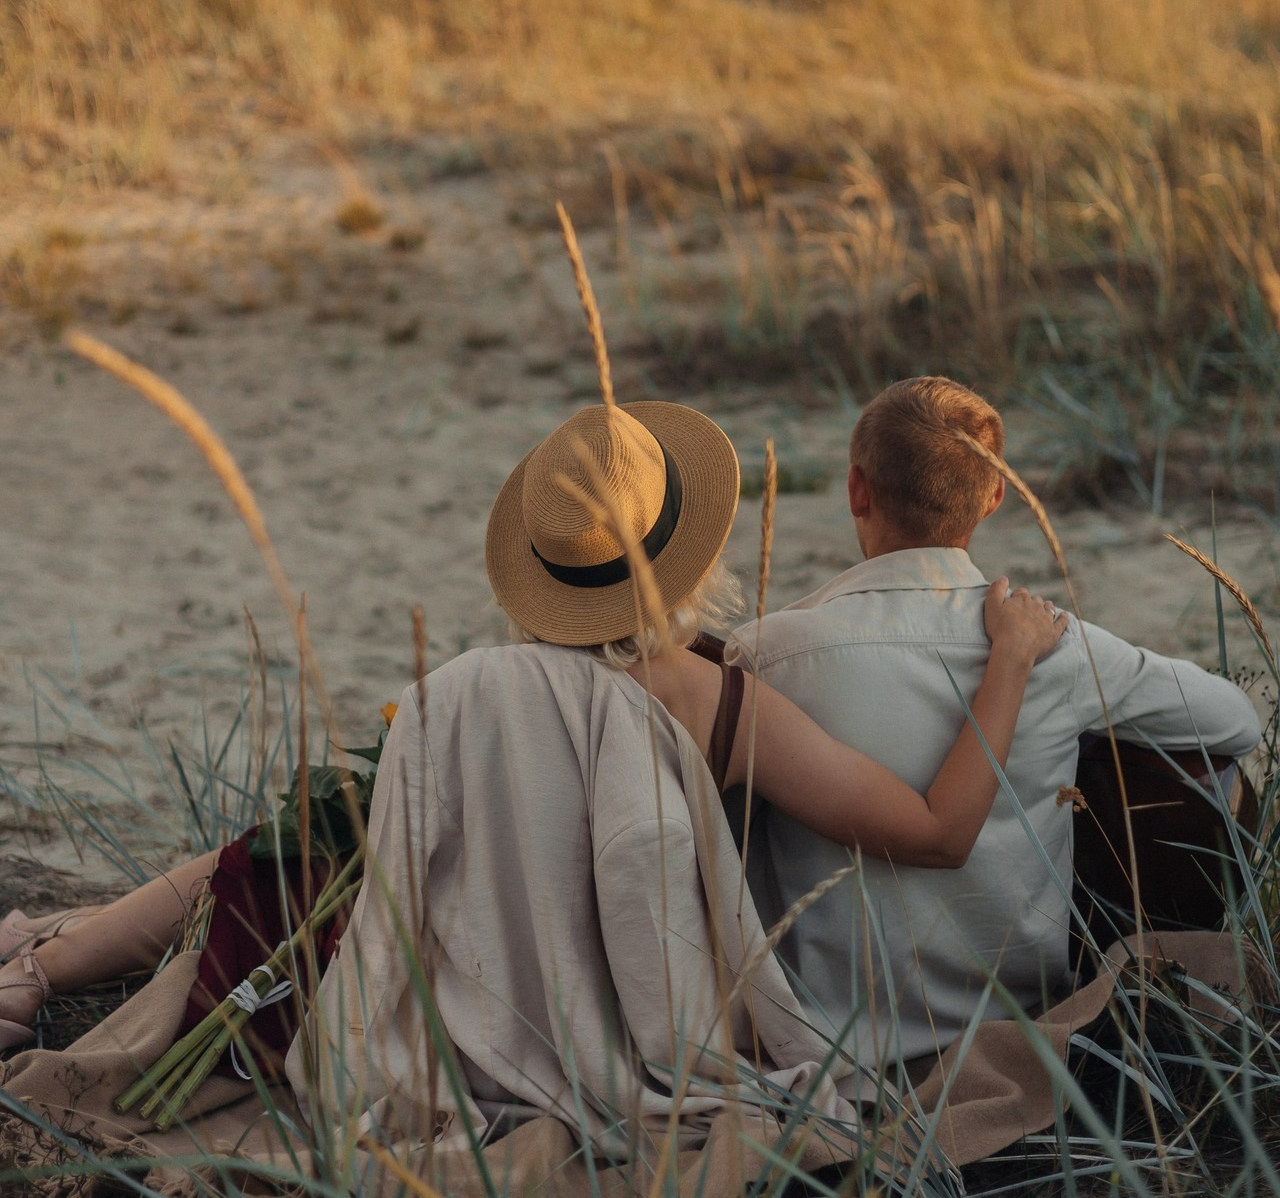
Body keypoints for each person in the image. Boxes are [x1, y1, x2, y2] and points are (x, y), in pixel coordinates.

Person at [0, 402, 1063, 1160]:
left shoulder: (468, 690)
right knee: (302, 843)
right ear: (686, 547)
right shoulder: (709, 696)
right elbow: (932, 829)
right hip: (588, 1016)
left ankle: (40, 958)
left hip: (398, 986)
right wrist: (1007, 656)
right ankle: (41, 954)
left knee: (294, 846)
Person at [727, 376, 1263, 1074]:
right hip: (1020, 1032)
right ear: (994, 495)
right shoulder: (1055, 644)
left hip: (831, 1051)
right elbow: (1235, 722)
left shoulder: (765, 654)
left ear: (857, 490)